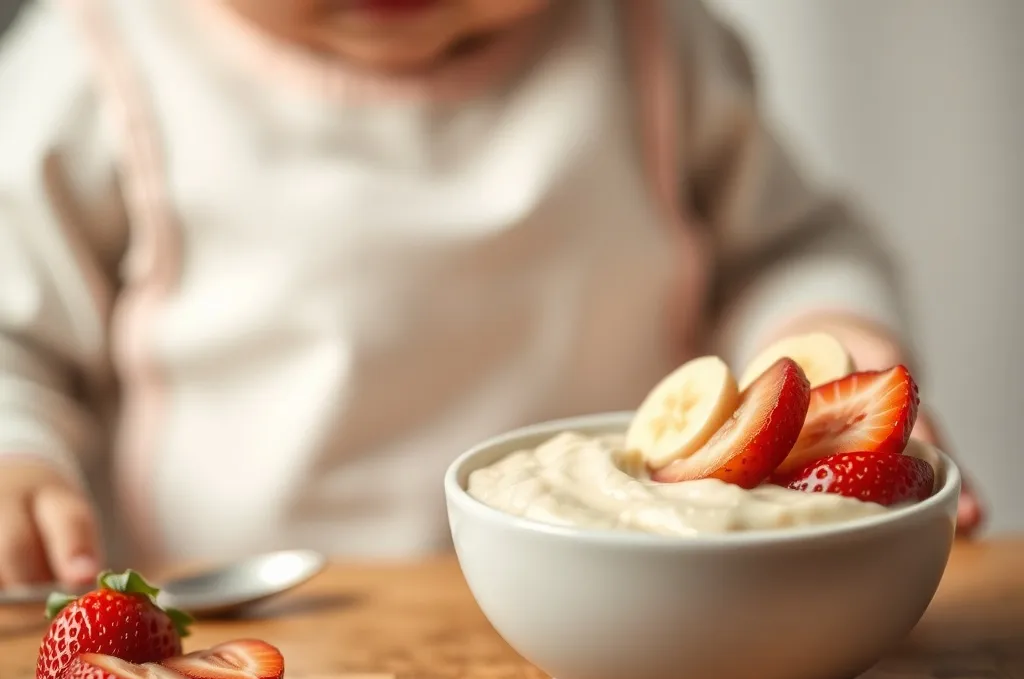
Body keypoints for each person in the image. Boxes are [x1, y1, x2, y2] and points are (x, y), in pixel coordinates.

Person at [0, 0, 983, 589]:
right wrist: (16, 452)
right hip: (253, 608)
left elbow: (791, 248)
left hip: (625, 595)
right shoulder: (98, 54)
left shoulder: (649, 37)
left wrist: (828, 336)